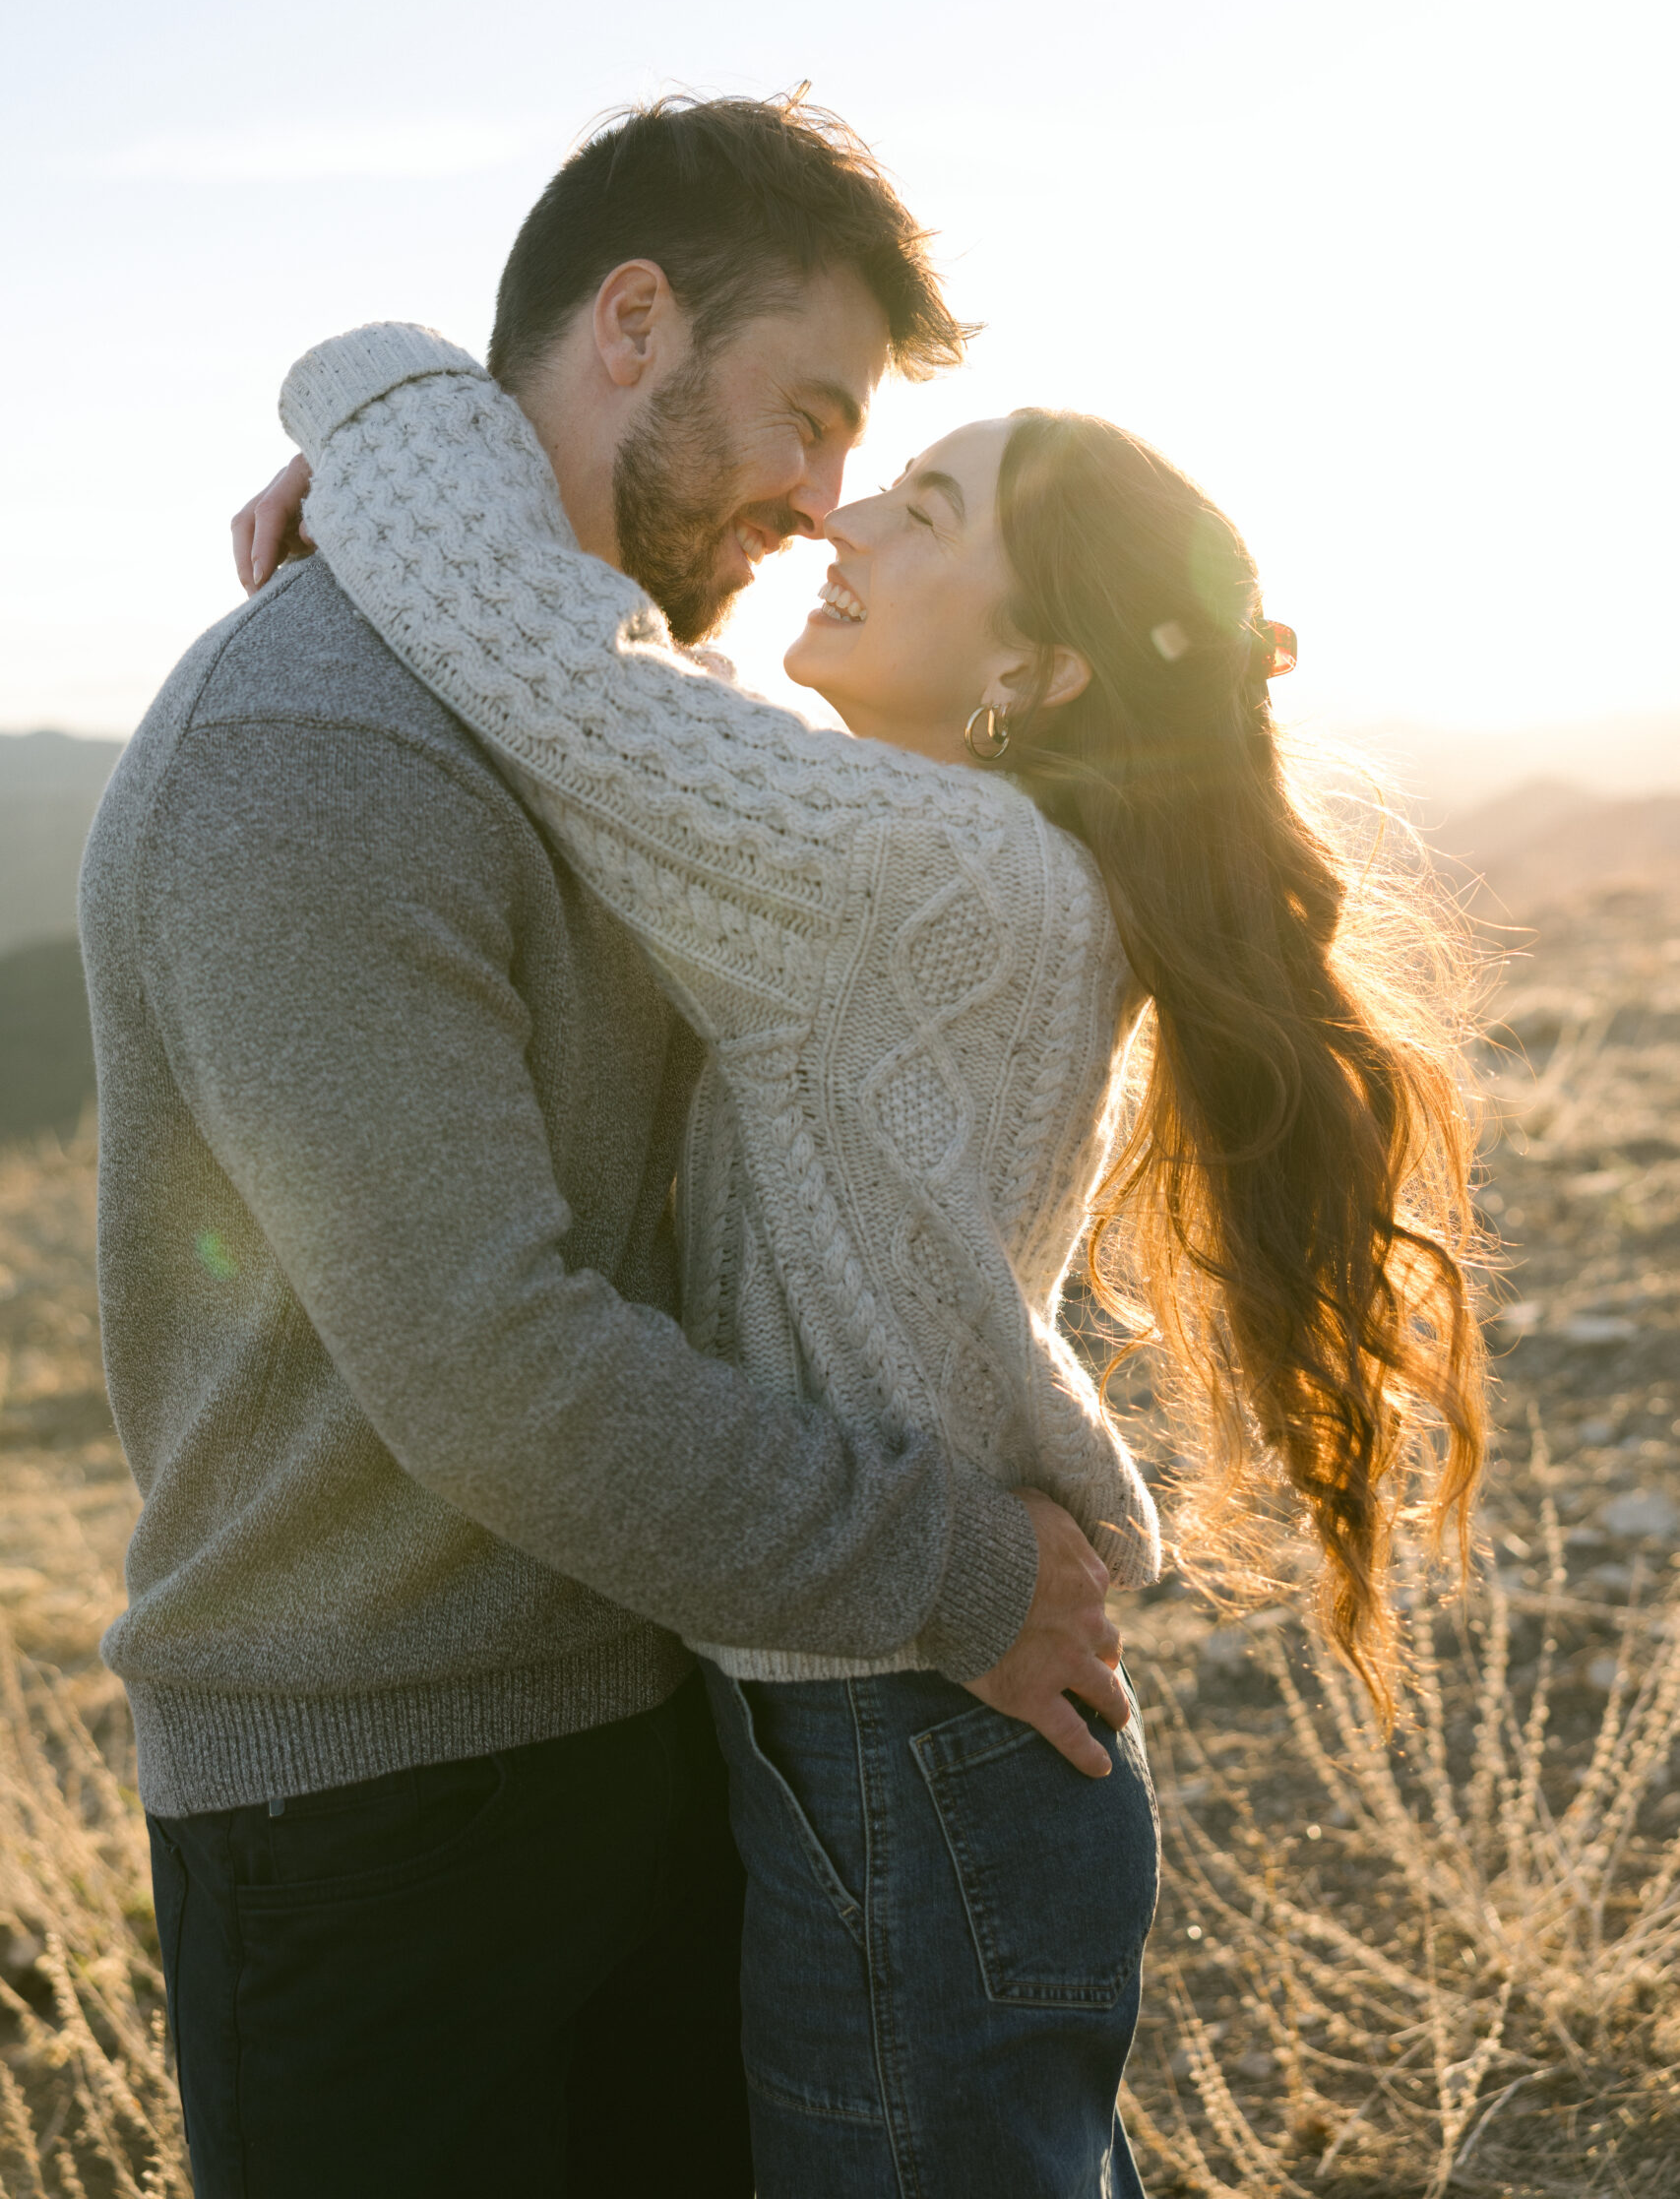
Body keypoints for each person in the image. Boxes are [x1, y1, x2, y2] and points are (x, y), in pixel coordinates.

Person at [248, 285, 1487, 2193]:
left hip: (911, 1742)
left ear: (1042, 669)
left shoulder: (923, 872)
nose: (837, 522)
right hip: (904, 1720)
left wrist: (387, 401)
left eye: (924, 512)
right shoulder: (946, 839)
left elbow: (553, 671)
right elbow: (683, 705)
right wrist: (411, 496)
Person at [80, 96, 1134, 2199]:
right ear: (631, 319)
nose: (819, 504)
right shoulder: (319, 744)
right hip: (382, 1817)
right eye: (805, 412)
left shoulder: (611, 721)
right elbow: (486, 1355)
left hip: (657, 1723)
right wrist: (953, 1564)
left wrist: (400, 452)